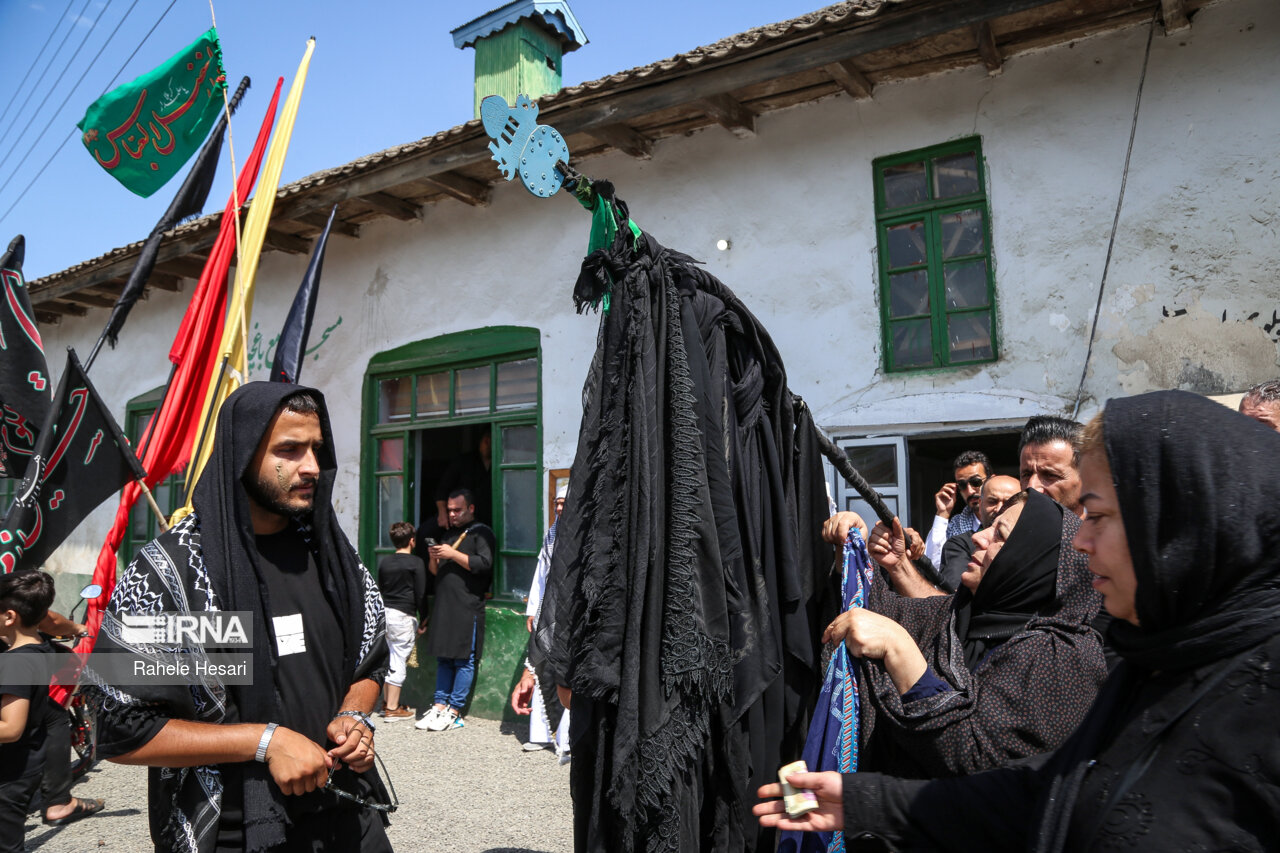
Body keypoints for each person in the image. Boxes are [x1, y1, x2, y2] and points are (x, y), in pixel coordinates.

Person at [756, 390, 1280, 851]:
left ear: (1175, 524)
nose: (1080, 539)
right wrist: (864, 801)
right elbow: (1043, 796)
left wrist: (902, 656)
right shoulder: (1155, 665)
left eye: (1096, 514)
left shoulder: (1250, 694)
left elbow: (980, 756)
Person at [87, 383, 392, 853]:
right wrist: (264, 741)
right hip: (235, 830)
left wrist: (354, 713)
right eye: (288, 450)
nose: (311, 466)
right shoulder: (174, 573)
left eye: (316, 449)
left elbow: (370, 662)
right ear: (241, 454)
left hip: (350, 814)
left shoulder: (334, 557)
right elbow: (124, 728)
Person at [819, 488, 1106, 779]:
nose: (978, 537)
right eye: (987, 528)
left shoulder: (1065, 658)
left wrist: (899, 651)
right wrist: (849, 547)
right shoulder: (960, 615)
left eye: (1000, 536)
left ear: (1031, 560)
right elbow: (877, 613)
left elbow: (980, 769)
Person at [417, 488, 495, 732]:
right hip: (444, 604)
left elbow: (484, 564)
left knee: (463, 659)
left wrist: (453, 554)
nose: (452, 515)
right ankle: (439, 706)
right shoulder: (448, 533)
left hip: (467, 604)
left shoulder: (481, 532)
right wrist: (434, 557)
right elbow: (435, 571)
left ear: (471, 508)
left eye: (457, 510)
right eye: (449, 510)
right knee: (444, 657)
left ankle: (454, 711)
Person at [0, 570, 56, 853]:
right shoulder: (39, 647)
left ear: (10, 617)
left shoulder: (15, 663)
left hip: (10, 773)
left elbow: (10, 728)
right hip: (27, 763)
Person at [513, 483, 570, 758]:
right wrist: (533, 609)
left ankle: (568, 740)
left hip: (570, 613)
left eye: (564, 503)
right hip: (547, 612)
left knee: (567, 672)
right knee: (539, 666)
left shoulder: (583, 536)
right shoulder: (551, 535)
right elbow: (540, 575)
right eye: (557, 503)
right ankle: (541, 735)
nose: (559, 508)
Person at [935, 474, 1022, 592]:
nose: (999, 509)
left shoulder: (1031, 545)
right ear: (980, 504)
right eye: (992, 501)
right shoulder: (961, 544)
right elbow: (954, 594)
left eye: (1008, 504)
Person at [376, 522, 427, 721]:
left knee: (389, 657)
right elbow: (421, 594)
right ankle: (392, 708)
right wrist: (425, 618)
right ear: (412, 541)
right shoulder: (416, 563)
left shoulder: (385, 562)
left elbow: (380, 589)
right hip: (404, 616)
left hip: (385, 614)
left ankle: (386, 703)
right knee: (398, 660)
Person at [923, 451, 990, 566]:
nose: (969, 491)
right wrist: (943, 513)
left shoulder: (1009, 518)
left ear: (991, 480)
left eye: (975, 482)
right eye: (963, 485)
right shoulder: (956, 525)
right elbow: (933, 564)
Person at [1018, 415, 1084, 517]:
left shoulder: (1110, 532)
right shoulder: (1004, 531)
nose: (1032, 486)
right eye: (1026, 475)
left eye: (1050, 475)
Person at [432, 430, 492, 529]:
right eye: (486, 440)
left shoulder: (500, 462)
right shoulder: (463, 461)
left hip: (489, 518)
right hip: (462, 521)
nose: (487, 443)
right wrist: (442, 513)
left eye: (490, 440)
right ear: (482, 440)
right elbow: (442, 490)